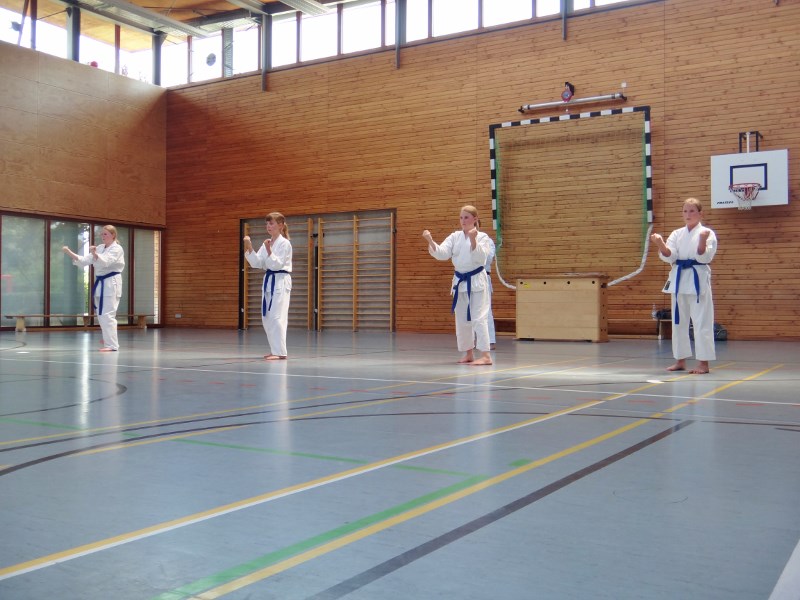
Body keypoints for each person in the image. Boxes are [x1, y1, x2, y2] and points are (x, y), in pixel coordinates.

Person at [650, 197, 717, 374]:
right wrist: (660, 244)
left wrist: (702, 240)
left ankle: (703, 363)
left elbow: (704, 257)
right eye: (685, 211)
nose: (688, 214)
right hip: (679, 280)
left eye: (692, 211)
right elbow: (670, 256)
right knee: (679, 322)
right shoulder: (677, 234)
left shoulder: (707, 232)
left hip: (697, 279)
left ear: (700, 213)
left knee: (702, 322)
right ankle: (680, 360)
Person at [423, 205, 494, 366]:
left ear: (475, 219)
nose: (463, 221)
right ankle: (468, 353)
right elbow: (442, 254)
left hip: (477, 280)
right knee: (462, 319)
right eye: (461, 217)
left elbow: (481, 258)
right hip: (460, 282)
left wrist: (473, 239)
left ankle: (486, 355)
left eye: (466, 217)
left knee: (479, 318)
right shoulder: (455, 237)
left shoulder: (483, 237)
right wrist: (430, 241)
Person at [62, 225, 125, 352]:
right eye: (102, 234)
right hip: (100, 283)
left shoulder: (117, 248)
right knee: (101, 315)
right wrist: (69, 252)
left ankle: (112, 345)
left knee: (108, 315)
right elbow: (84, 260)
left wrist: (94, 253)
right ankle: (109, 343)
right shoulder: (100, 247)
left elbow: (106, 262)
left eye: (105, 234)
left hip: (111, 283)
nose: (103, 236)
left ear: (113, 235)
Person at [244, 212, 292, 360]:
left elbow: (277, 264)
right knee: (268, 318)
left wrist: (269, 249)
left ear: (280, 225)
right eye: (267, 224)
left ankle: (280, 352)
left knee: (277, 317)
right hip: (269, 281)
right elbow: (258, 263)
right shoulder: (267, 243)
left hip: (280, 280)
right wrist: (249, 248)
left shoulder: (285, 243)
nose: (268, 226)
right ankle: (275, 350)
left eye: (271, 223)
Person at [484, 234, 497, 349]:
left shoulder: (487, 240)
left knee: (486, 310)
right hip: (465, 279)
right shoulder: (460, 239)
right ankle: (470, 341)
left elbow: (488, 259)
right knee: (467, 311)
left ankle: (490, 340)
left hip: (482, 277)